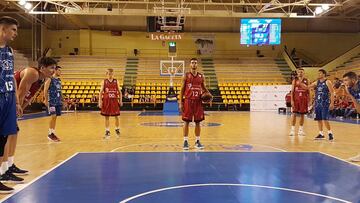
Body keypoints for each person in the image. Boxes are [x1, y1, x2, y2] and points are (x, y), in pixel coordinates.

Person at [1, 56, 57, 185]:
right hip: (7, 99)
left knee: (14, 133)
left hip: (12, 103)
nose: (53, 71)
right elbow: (20, 91)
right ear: (42, 68)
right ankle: (3, 170)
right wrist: (16, 108)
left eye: (54, 68)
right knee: (8, 134)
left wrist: (20, 111)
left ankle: (10, 165)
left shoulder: (42, 79)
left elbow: (28, 98)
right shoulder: (33, 73)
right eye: (51, 68)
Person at [0, 16, 22, 193]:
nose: (16, 33)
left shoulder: (9, 51)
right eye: (13, 30)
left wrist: (15, 100)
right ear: (3, 30)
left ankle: (2, 173)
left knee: (4, 137)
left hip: (8, 98)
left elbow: (11, 76)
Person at [179, 58, 211, 150]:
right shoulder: (186, 76)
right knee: (186, 122)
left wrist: (209, 95)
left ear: (197, 65)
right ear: (190, 65)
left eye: (195, 63)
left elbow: (204, 87)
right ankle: (185, 141)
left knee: (198, 122)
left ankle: (197, 141)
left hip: (198, 102)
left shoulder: (201, 76)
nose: (194, 64)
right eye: (192, 63)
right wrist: (180, 102)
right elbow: (182, 90)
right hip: (188, 101)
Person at [308, 69, 335, 141]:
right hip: (318, 104)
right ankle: (321, 134)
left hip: (325, 103)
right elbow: (308, 87)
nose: (318, 74)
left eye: (320, 73)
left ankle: (330, 133)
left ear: (324, 74)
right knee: (318, 119)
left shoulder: (327, 82)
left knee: (325, 119)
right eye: (318, 73)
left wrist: (332, 103)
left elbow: (332, 93)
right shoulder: (317, 82)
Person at [98, 69, 123, 139]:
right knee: (106, 117)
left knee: (117, 116)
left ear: (113, 74)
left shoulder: (116, 81)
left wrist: (121, 101)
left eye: (111, 74)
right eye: (109, 74)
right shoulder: (104, 81)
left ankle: (117, 129)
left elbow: (120, 92)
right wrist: (100, 102)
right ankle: (107, 130)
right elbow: (100, 93)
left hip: (114, 101)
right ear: (107, 74)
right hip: (106, 101)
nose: (110, 75)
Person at [342, 71, 360, 162]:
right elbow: (355, 102)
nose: (344, 82)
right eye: (343, 80)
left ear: (353, 79)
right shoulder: (350, 89)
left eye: (346, 80)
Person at [43, 66, 62, 142]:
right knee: (53, 116)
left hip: (57, 101)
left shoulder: (59, 80)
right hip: (51, 101)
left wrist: (63, 100)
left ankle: (52, 133)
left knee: (55, 117)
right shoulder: (50, 79)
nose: (60, 72)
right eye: (59, 70)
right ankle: (50, 133)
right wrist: (45, 99)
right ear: (55, 70)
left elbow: (60, 91)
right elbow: (45, 90)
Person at [289, 68, 309, 136]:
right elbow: (292, 91)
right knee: (294, 114)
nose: (300, 73)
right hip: (296, 100)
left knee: (302, 115)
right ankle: (292, 130)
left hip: (304, 100)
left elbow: (309, 91)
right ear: (297, 73)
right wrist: (292, 100)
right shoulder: (295, 80)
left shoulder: (307, 80)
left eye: (301, 72)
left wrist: (310, 100)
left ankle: (300, 130)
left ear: (304, 73)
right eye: (299, 72)